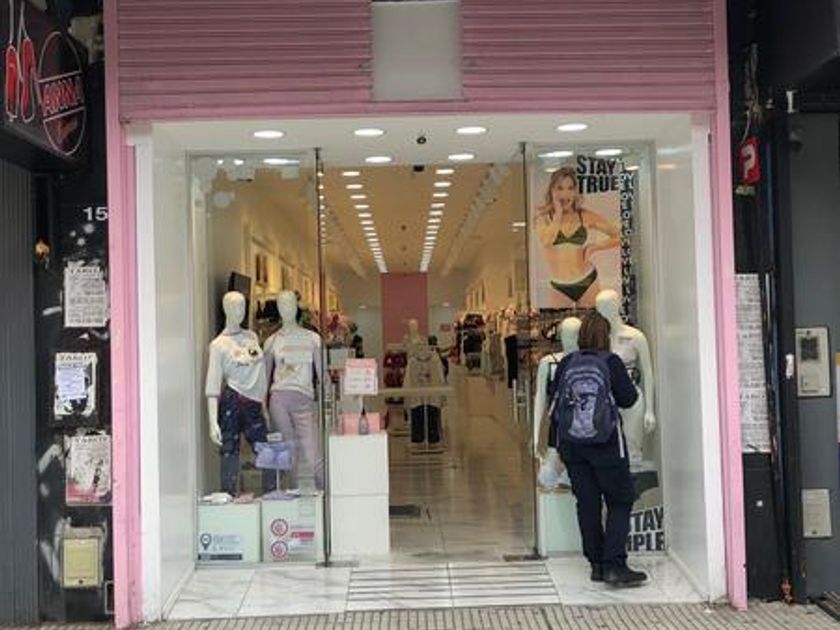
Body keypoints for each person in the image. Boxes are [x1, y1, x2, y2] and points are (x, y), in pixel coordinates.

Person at [549, 310, 647, 586]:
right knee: (620, 500)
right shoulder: (611, 362)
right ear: (606, 336)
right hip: (606, 445)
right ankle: (615, 564)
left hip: (573, 447)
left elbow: (554, 403)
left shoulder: (566, 363)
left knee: (588, 504)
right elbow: (628, 399)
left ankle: (597, 565)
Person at [535, 167, 621, 307]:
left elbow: (621, 236)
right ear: (552, 191)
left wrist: (596, 247)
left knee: (592, 321)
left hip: (587, 280)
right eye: (560, 188)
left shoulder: (585, 216)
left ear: (575, 192)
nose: (565, 193)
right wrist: (558, 214)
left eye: (570, 188)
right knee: (557, 321)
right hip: (559, 286)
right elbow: (546, 241)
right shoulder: (543, 219)